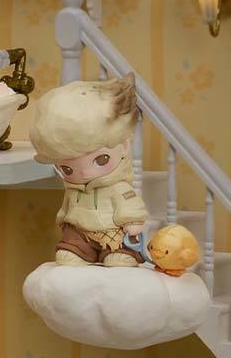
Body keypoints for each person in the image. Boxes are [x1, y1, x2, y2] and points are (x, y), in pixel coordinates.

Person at [29, 73, 148, 267]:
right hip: (79, 233)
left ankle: (120, 252)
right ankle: (77, 251)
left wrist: (133, 222)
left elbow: (130, 204)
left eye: (101, 160)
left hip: (113, 233)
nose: (84, 173)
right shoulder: (73, 189)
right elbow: (66, 209)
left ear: (124, 146)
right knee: (68, 252)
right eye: (67, 168)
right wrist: (64, 219)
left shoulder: (118, 188)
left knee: (118, 255)